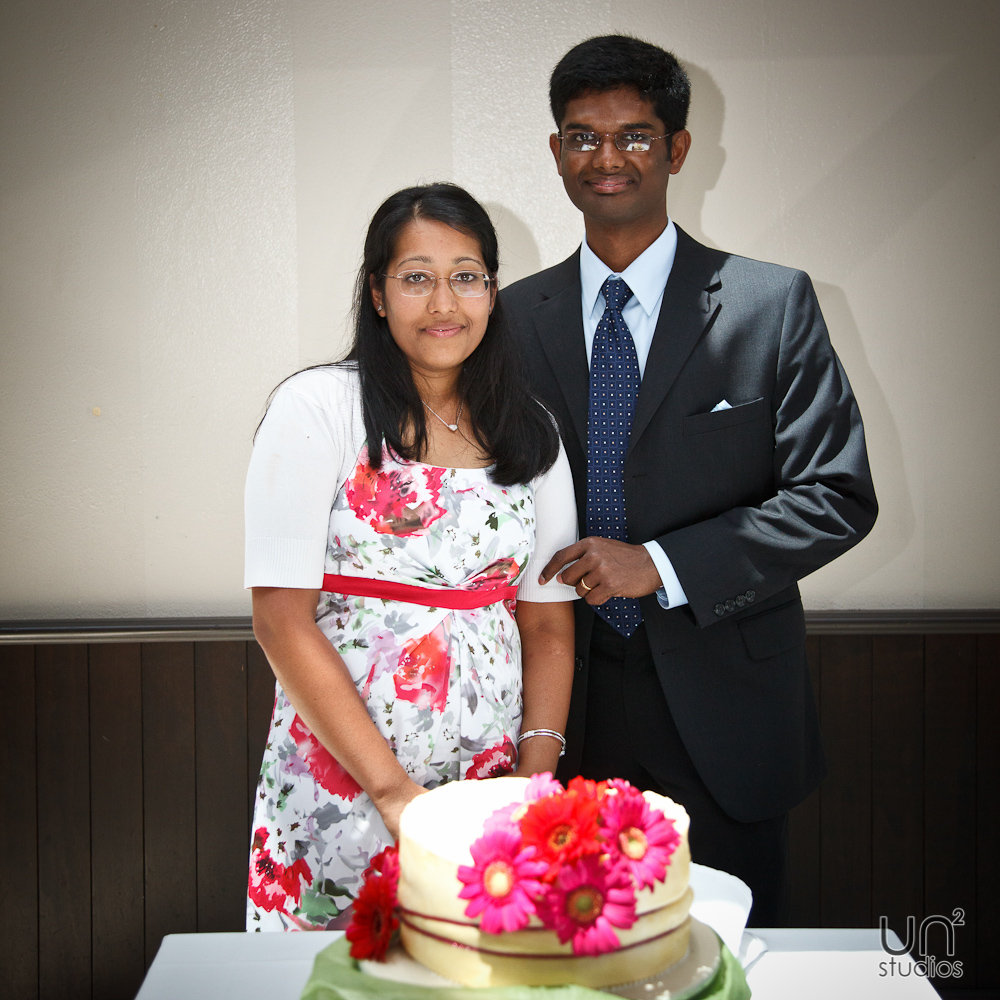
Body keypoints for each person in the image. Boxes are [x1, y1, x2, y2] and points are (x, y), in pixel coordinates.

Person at [502, 35, 878, 924]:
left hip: (727, 708)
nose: (607, 157)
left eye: (635, 135)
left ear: (676, 149)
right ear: (556, 152)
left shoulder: (769, 303)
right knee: (568, 959)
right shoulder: (510, 319)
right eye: (584, 136)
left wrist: (660, 565)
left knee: (729, 954)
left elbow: (836, 495)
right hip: (561, 704)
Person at [244, 183, 578, 931]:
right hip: (346, 777)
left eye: (467, 276)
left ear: (493, 291)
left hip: (488, 782)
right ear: (378, 292)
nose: (443, 303)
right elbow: (279, 620)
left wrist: (533, 780)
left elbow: (547, 622)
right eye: (416, 277)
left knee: (477, 964)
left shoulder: (530, 431)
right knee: (341, 968)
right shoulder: (319, 407)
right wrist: (395, 795)